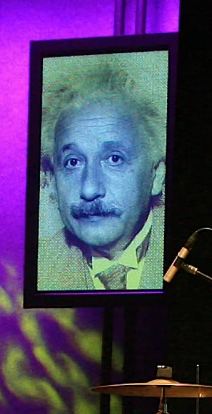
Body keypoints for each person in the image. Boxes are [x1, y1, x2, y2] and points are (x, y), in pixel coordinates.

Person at [33, 56, 168, 291]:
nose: (89, 189)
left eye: (114, 159)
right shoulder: (40, 269)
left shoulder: (190, 256)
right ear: (52, 181)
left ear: (156, 176)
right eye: (73, 162)